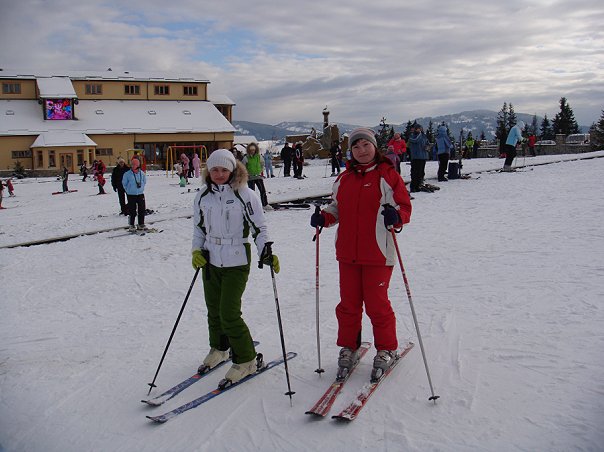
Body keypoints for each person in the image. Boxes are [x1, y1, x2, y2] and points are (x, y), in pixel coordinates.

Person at [309, 127, 412, 381]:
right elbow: (336, 208)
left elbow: (404, 206)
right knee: (348, 305)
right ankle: (350, 346)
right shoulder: (344, 179)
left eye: (366, 145)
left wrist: (396, 215)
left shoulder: (387, 175)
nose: (361, 150)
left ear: (375, 147)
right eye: (356, 147)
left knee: (377, 304)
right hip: (347, 253)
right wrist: (324, 217)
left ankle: (386, 348)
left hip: (378, 252)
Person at [191, 149, 279, 383]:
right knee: (213, 310)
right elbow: (199, 228)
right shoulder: (202, 196)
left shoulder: (245, 194)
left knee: (228, 313)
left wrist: (265, 251)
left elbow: (259, 227)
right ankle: (220, 348)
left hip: (237, 258)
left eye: (224, 169)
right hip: (210, 258)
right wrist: (196, 251)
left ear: (233, 170)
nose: (219, 174)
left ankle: (247, 359)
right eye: (215, 170)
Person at [122, 157, 147, 231]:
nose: (134, 166)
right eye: (132, 165)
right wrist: (128, 190)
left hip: (140, 194)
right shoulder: (127, 174)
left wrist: (141, 188)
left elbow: (144, 181)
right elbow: (124, 183)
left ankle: (141, 224)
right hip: (131, 194)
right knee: (132, 210)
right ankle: (131, 224)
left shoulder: (142, 173)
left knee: (141, 209)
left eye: (135, 165)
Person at [242, 143, 269, 208]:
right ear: (249, 150)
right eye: (251, 150)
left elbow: (262, 163)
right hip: (250, 177)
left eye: (253, 150)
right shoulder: (246, 158)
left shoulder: (259, 157)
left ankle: (265, 204)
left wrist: (260, 170)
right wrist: (246, 174)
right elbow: (243, 167)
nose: (252, 151)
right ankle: (252, 206)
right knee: (252, 193)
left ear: (255, 150)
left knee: (262, 191)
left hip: (258, 176)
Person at [407, 123, 430, 192]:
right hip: (416, 156)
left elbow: (427, 143)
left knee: (420, 173)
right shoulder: (412, 136)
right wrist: (419, 134)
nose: (419, 130)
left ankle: (418, 186)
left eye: (420, 128)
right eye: (417, 129)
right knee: (415, 173)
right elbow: (415, 140)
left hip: (423, 156)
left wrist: (428, 147)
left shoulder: (424, 136)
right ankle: (413, 187)